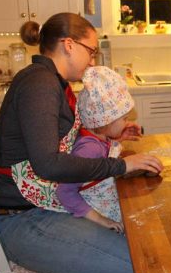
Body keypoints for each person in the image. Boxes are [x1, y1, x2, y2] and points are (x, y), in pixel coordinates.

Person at [0, 13, 163, 273]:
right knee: (146, 272)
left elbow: (70, 142)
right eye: (91, 51)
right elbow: (49, 163)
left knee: (143, 265)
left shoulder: (54, 83)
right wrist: (122, 165)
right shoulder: (40, 84)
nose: (92, 61)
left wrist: (113, 136)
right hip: (23, 220)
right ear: (69, 45)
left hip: (42, 210)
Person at [56, 66, 138, 233]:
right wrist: (101, 220)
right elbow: (64, 192)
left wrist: (118, 137)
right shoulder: (89, 149)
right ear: (105, 121)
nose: (126, 122)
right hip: (97, 221)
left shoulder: (99, 138)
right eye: (124, 118)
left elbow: (104, 153)